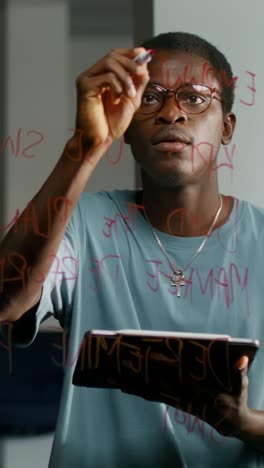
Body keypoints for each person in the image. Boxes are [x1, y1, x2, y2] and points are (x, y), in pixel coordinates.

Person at [0, 31, 264, 467]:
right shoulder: (83, 224)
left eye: (195, 98)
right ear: (125, 129)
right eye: (150, 97)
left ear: (227, 126)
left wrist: (243, 424)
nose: (172, 113)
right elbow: (6, 302)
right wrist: (84, 148)